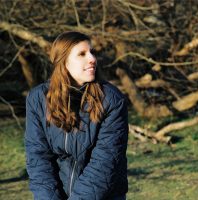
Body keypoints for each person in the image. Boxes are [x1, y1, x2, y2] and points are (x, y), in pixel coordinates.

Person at [25, 31, 128, 200]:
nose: (92, 59)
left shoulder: (112, 100)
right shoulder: (37, 99)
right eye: (82, 54)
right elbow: (38, 158)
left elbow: (105, 163)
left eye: (92, 52)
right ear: (63, 61)